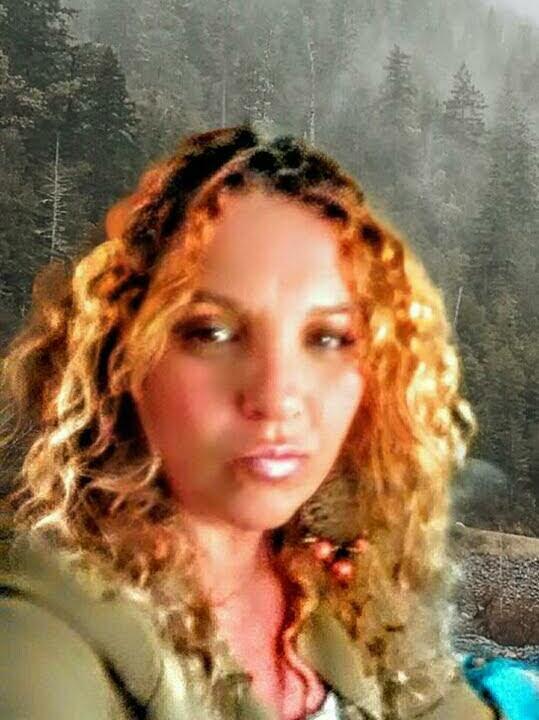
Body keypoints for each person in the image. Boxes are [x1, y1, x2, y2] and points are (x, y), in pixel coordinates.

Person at [0, 124, 506, 719]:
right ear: (123, 355)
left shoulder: (346, 590)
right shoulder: (35, 643)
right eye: (212, 332)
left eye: (328, 338)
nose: (278, 396)